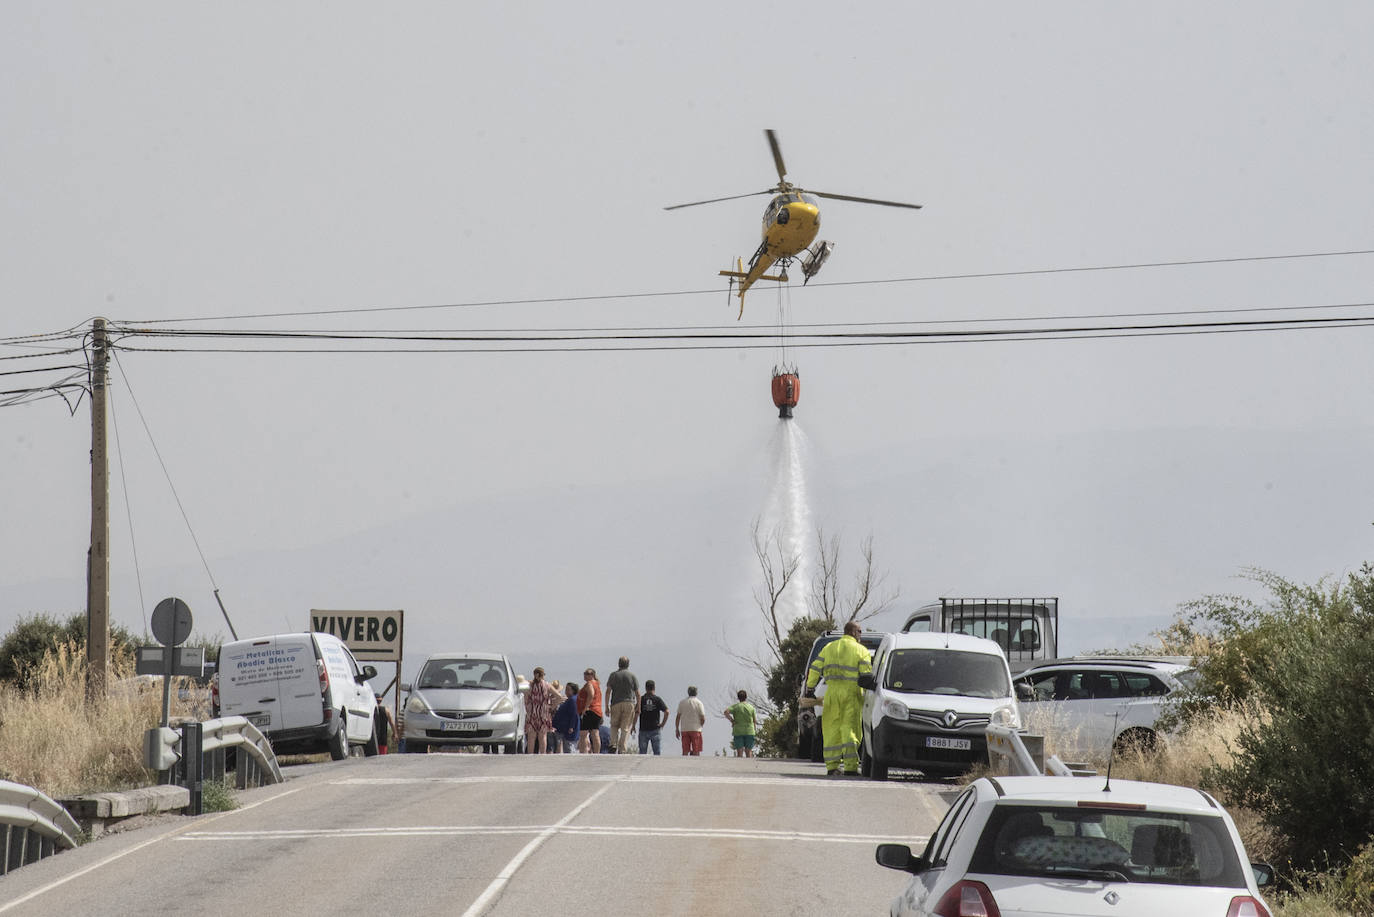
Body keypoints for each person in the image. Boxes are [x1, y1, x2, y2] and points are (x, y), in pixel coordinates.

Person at [804, 620, 873, 776]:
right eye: (860, 631)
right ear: (853, 632)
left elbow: (815, 667)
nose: (861, 634)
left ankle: (832, 766)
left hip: (832, 692)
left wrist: (810, 688)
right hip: (852, 694)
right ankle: (850, 767)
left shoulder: (829, 648)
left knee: (831, 729)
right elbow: (866, 675)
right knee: (850, 729)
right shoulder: (861, 651)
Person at [604, 656, 640, 754]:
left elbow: (608, 691)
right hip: (629, 703)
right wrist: (638, 707)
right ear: (628, 664)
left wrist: (606, 706)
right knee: (626, 727)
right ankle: (622, 748)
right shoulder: (632, 676)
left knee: (614, 725)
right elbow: (637, 693)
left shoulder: (613, 675)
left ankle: (613, 744)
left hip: (615, 703)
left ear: (618, 664)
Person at [523, 667, 555, 754]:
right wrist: (551, 706)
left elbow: (525, 699)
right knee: (542, 736)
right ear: (543, 675)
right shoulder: (547, 685)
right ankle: (542, 755)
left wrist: (527, 707)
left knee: (531, 737)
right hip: (544, 714)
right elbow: (559, 697)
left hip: (532, 714)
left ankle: (530, 755)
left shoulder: (529, 685)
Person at [636, 680, 669, 755]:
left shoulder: (641, 699)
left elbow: (637, 712)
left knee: (642, 753)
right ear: (654, 688)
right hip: (655, 729)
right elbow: (667, 712)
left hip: (643, 729)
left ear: (646, 688)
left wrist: (633, 725)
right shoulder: (657, 699)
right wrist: (662, 724)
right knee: (657, 754)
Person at [724, 689, 758, 758]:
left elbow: (726, 712)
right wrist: (754, 730)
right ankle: (750, 767)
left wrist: (732, 720)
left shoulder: (736, 706)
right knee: (748, 751)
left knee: (739, 751)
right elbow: (754, 721)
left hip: (738, 731)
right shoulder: (751, 707)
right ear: (746, 697)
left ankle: (740, 767)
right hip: (749, 731)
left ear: (738, 698)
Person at [675, 685, 707, 756]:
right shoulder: (699, 703)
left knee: (685, 750)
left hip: (685, 729)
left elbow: (678, 717)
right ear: (696, 693)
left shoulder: (682, 702)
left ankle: (684, 764)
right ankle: (695, 765)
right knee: (696, 750)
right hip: (696, 729)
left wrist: (677, 729)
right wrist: (701, 725)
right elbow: (703, 717)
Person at [577, 668, 603, 754]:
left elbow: (591, 695)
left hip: (590, 710)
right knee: (595, 732)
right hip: (597, 711)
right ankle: (597, 753)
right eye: (584, 673)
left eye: (587, 674)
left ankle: (583, 753)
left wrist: (585, 708)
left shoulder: (589, 683)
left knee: (583, 733)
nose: (585, 675)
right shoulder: (597, 684)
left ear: (592, 675)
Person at [553, 681, 581, 753]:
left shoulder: (572, 700)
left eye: (568, 689)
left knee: (569, 747)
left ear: (573, 690)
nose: (566, 691)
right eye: (566, 689)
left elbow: (574, 714)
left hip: (568, 727)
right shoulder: (570, 700)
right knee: (565, 746)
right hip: (563, 727)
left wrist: (571, 726)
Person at [546, 679, 563, 753]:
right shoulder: (561, 699)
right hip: (558, 723)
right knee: (558, 743)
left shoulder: (548, 699)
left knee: (550, 745)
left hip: (549, 722)